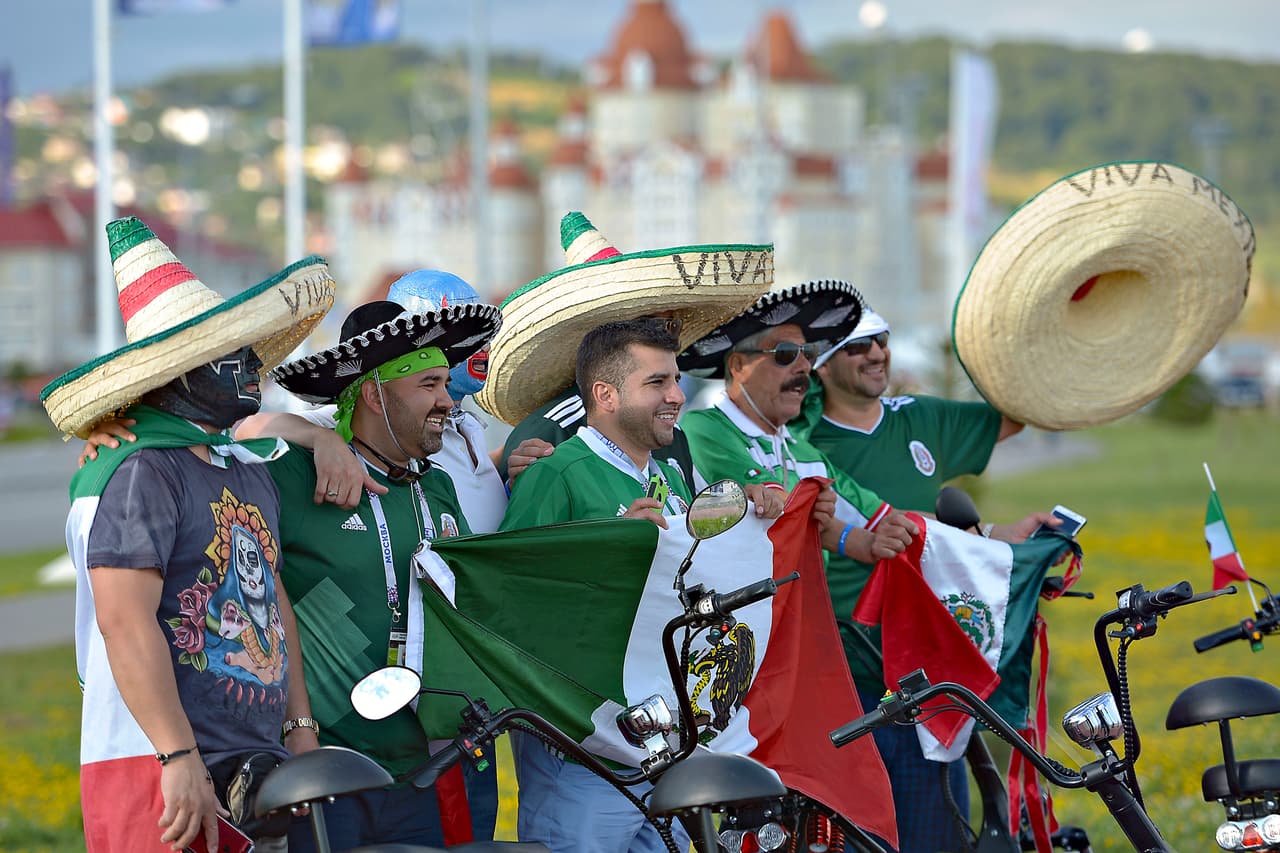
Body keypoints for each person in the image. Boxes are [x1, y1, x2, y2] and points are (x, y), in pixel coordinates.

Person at [42, 217, 332, 853]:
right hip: (159, 765)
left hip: (251, 768)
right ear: (181, 370)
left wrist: (300, 725)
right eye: (235, 351)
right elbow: (125, 622)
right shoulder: (141, 470)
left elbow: (273, 601)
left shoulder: (240, 467)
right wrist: (177, 756)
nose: (255, 363)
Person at [500, 318, 782, 853]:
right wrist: (607, 547)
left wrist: (751, 505)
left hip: (668, 745)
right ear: (604, 394)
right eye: (657, 383)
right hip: (584, 757)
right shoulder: (557, 473)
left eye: (675, 380)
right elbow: (514, 604)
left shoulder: (672, 479)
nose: (677, 395)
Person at [794, 302, 1050, 853]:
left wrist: (1003, 536)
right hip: (845, 656)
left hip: (927, 652)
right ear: (822, 364)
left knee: (937, 819)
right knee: (855, 825)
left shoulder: (919, 418)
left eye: (882, 339)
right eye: (858, 346)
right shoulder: (800, 440)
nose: (877, 353)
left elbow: (1017, 414)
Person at [260, 298, 503, 851]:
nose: (447, 401)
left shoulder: (437, 486)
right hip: (334, 770)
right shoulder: (300, 475)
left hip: (433, 766)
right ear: (375, 393)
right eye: (430, 386)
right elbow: (231, 439)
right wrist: (315, 436)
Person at [478, 211, 774, 490]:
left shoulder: (673, 433)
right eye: (651, 327)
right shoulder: (550, 430)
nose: (668, 340)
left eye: (672, 326)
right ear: (606, 339)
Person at [678, 280, 918, 565]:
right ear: (739, 367)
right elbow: (771, 505)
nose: (804, 366)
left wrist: (969, 533)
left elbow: (881, 519)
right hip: (739, 608)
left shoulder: (807, 455)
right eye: (786, 354)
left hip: (802, 606)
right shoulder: (705, 428)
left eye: (810, 354)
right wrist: (812, 509)